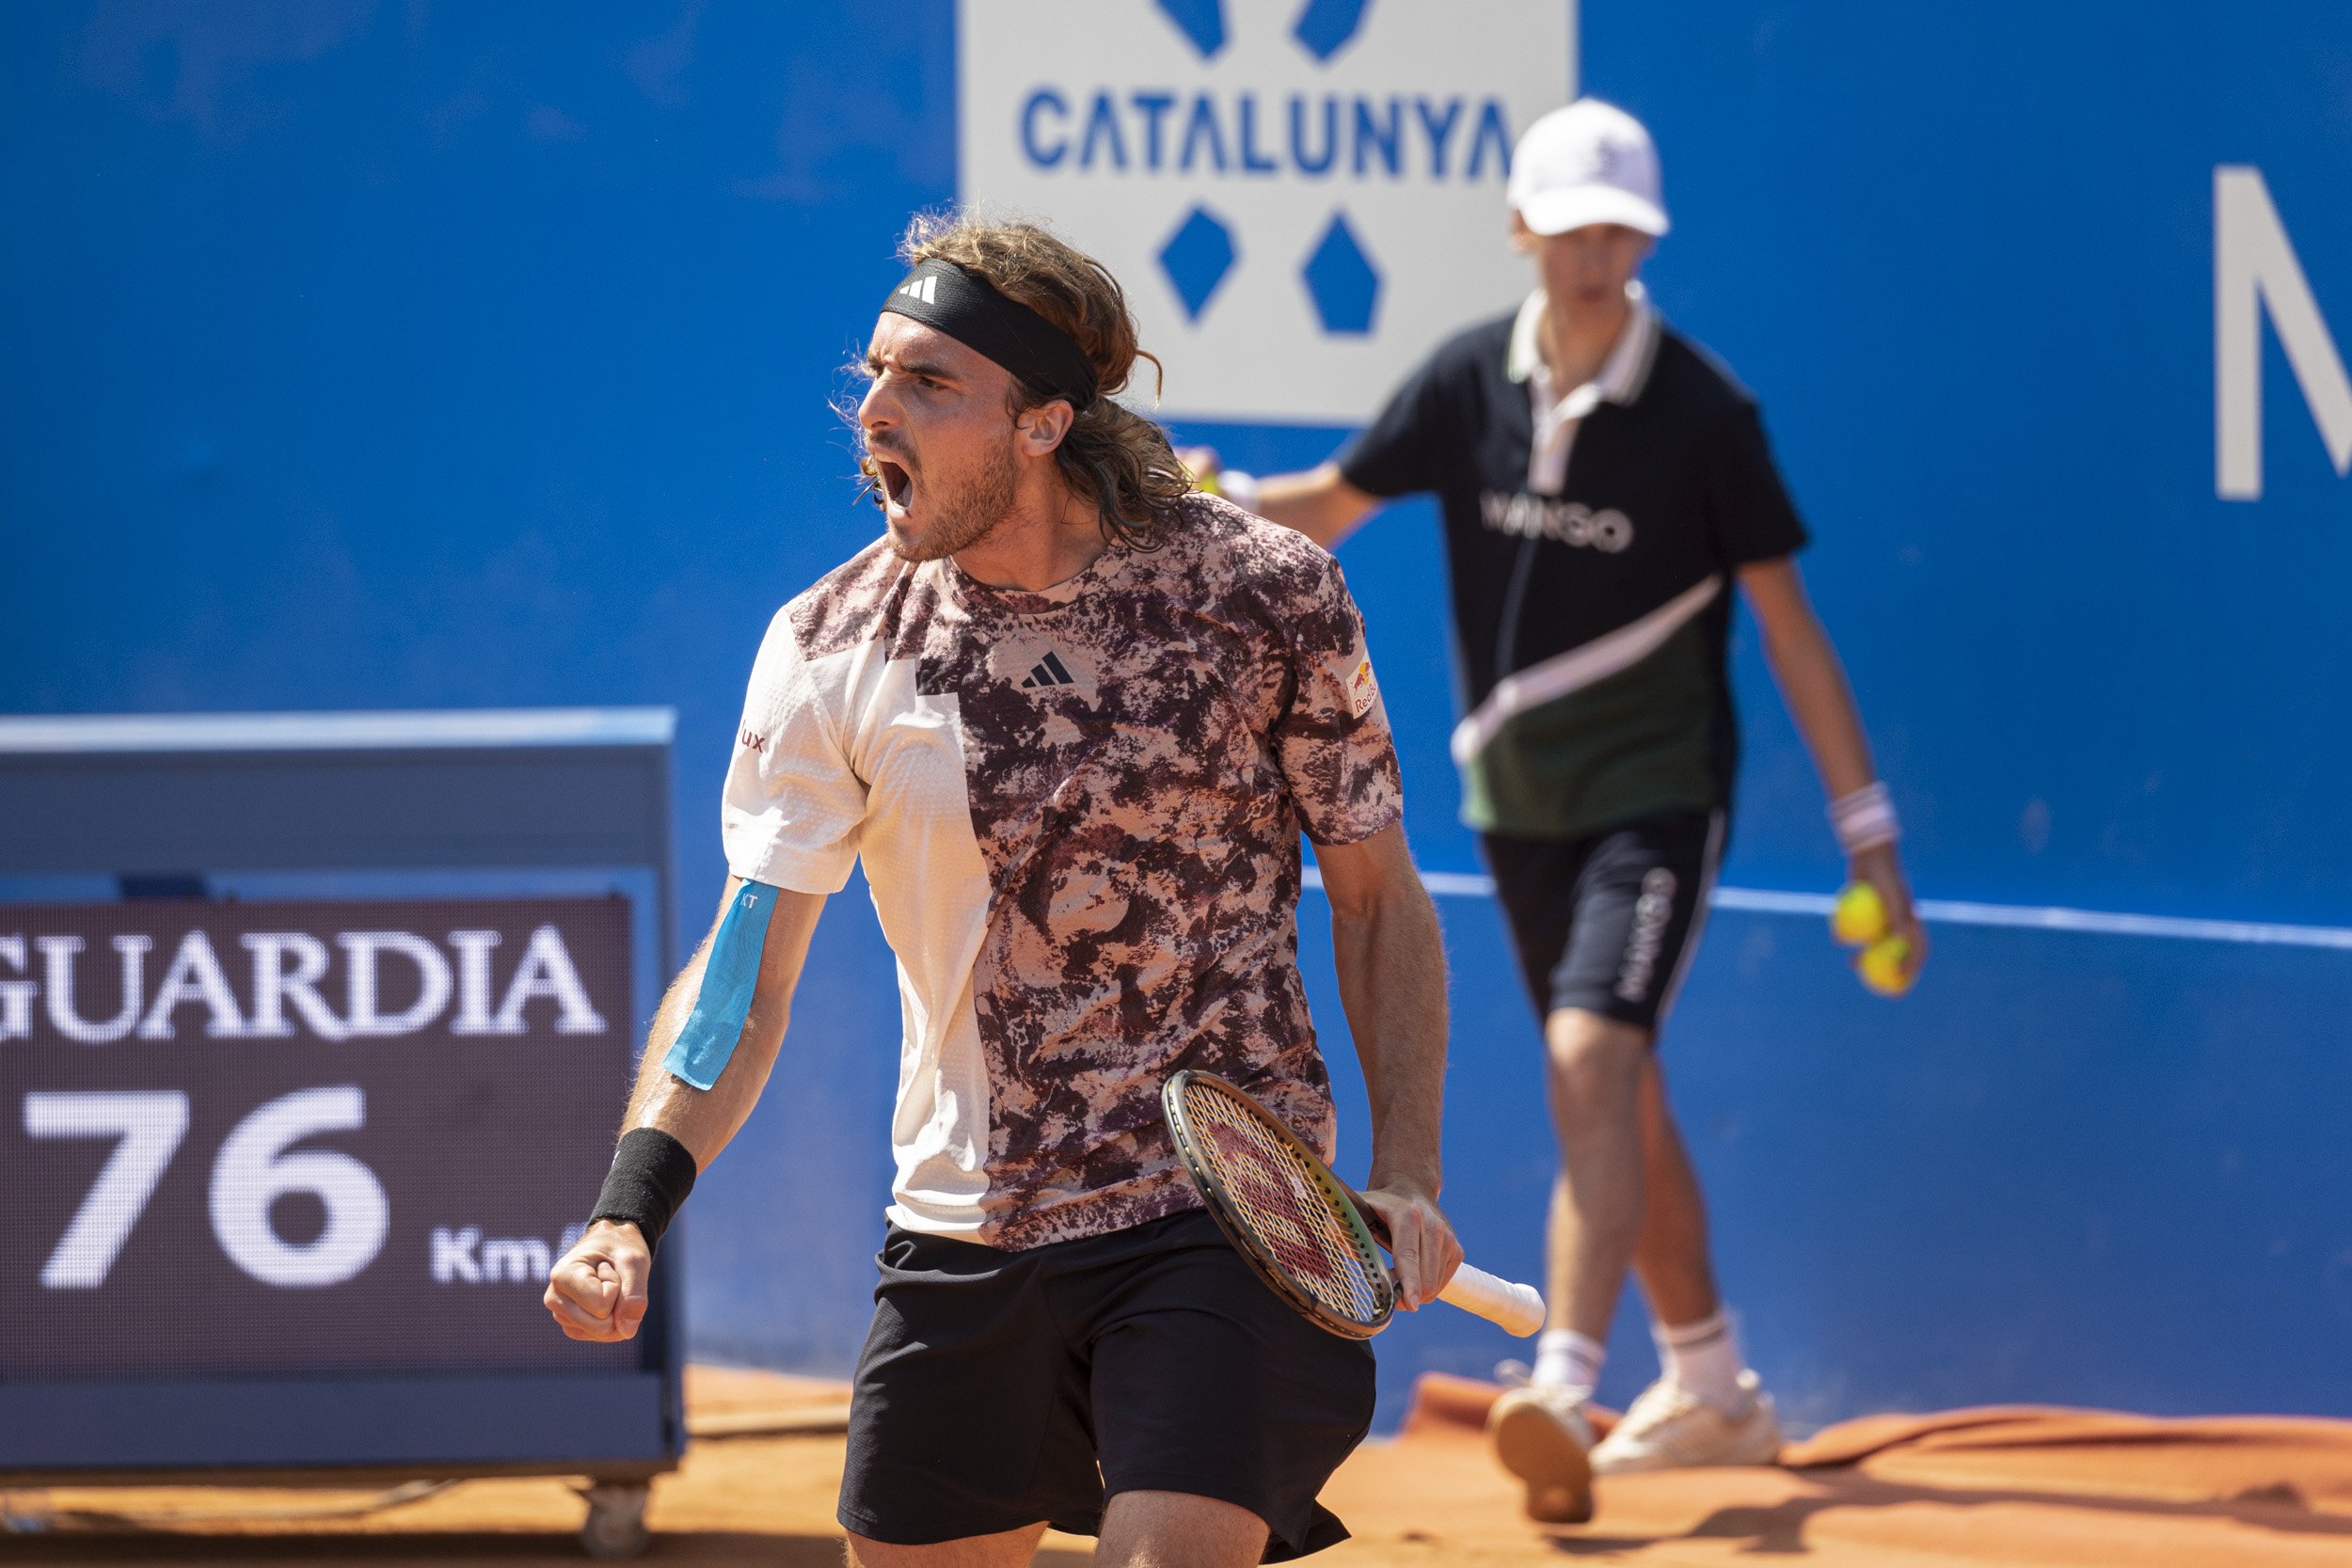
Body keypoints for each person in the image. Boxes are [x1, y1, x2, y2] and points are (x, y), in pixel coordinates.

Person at [541, 212, 1464, 1568]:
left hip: (1222, 1221)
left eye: (926, 383)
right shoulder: (829, 646)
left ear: (1041, 422)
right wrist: (629, 1204)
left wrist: (1407, 1170)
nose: (873, 413)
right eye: (871, 375)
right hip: (966, 1229)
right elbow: (751, 966)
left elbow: (1378, 895)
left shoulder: (1267, 596)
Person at [1192, 100, 1925, 1522]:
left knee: (1591, 1059)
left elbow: (1789, 629)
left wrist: (1870, 833)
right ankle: (1712, 1386)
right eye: (1572, 225)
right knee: (1617, 1086)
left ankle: (1563, 1382)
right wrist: (1196, 495)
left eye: (1621, 232)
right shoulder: (1468, 379)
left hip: (1656, 800)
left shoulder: (1706, 415)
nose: (1596, 253)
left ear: (1642, 241)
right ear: (1524, 230)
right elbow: (1330, 503)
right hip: (1514, 806)